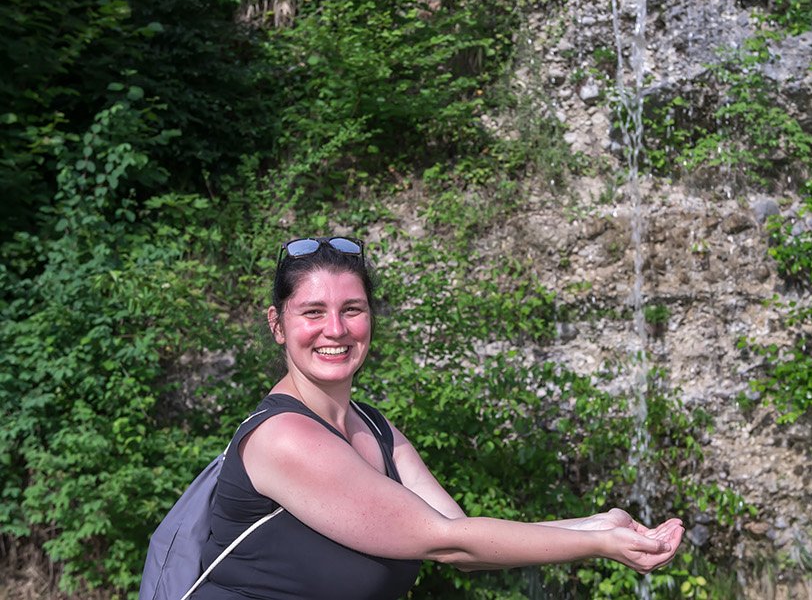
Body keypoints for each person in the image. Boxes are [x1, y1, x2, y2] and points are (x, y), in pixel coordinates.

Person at [193, 236, 685, 599]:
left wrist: (597, 524)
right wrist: (601, 545)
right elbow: (449, 545)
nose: (336, 329)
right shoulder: (285, 437)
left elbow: (460, 530)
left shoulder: (374, 427)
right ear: (278, 324)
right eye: (313, 312)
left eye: (353, 309)